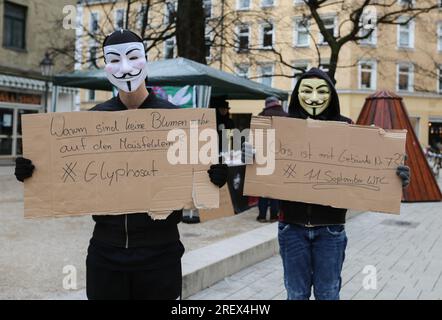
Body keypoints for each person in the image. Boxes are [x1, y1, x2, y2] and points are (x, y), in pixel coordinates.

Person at [14, 29, 228, 300]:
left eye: (133, 57)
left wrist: (214, 177)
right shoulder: (93, 121)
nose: (124, 67)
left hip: (160, 253)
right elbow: (66, 175)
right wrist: (34, 172)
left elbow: (199, 185)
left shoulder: (178, 119)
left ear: (146, 61)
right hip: (106, 252)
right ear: (105, 66)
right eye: (114, 60)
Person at [276, 68, 410, 300]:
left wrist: (396, 176)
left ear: (332, 95)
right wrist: (251, 157)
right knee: (296, 294)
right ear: (297, 93)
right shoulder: (280, 128)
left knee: (328, 294)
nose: (314, 98)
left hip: (330, 229)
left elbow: (369, 169)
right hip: (292, 227)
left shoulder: (347, 127)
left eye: (322, 91)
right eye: (307, 90)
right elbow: (264, 169)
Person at [256, 97, 288, 223]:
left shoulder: (261, 116)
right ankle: (275, 215)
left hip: (264, 157)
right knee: (275, 189)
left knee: (264, 189)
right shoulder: (287, 117)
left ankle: (262, 215)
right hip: (281, 157)